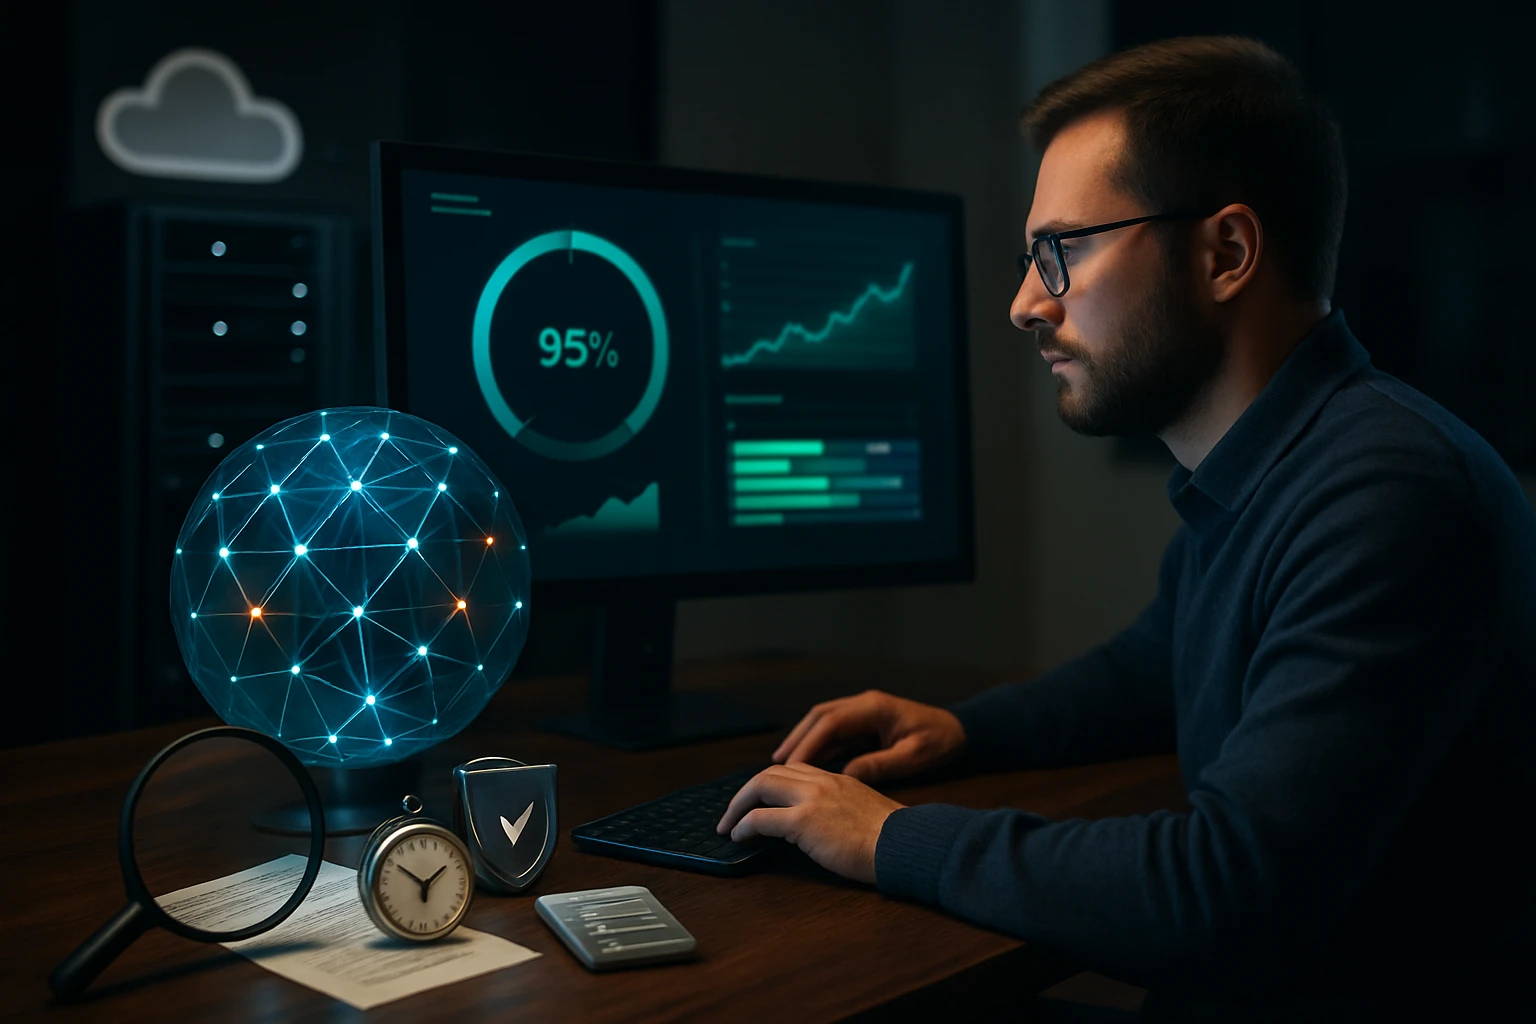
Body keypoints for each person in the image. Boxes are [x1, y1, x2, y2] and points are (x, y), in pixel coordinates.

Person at [716, 35, 1535, 1022]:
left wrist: (891, 837)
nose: (1026, 302)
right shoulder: (1277, 468)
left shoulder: (1388, 494)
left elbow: (1223, 888)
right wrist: (966, 728)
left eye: (1064, 249)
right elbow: (1156, 666)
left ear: (1226, 252)